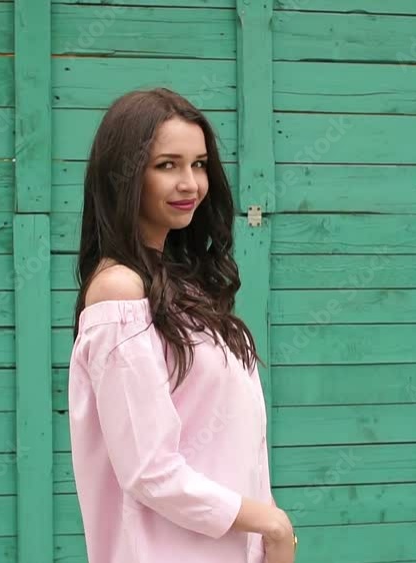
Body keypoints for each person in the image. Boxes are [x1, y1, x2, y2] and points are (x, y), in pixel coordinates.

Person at [67, 88, 297, 563]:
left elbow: (237, 448)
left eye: (199, 164)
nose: (190, 183)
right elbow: (148, 469)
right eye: (167, 165)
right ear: (124, 176)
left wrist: (269, 538)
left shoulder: (185, 286)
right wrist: (270, 522)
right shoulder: (119, 292)